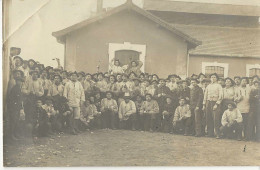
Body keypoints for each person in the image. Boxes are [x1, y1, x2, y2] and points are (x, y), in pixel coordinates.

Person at [203, 73, 223, 138]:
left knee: (216, 118)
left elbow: (221, 96)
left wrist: (217, 104)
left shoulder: (219, 86)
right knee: (208, 118)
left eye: (214, 77)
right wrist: (204, 104)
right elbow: (205, 95)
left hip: (215, 103)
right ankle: (210, 133)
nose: (213, 78)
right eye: (212, 77)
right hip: (208, 103)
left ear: (216, 78)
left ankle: (217, 133)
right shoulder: (208, 86)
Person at [7, 70, 25, 140]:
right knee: (13, 121)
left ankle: (15, 134)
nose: (19, 83)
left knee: (17, 121)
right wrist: (13, 106)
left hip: (17, 108)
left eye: (20, 82)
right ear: (16, 81)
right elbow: (11, 99)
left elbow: (20, 99)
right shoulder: (14, 88)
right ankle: (11, 135)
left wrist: (21, 107)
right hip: (13, 108)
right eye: (18, 81)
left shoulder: (19, 89)